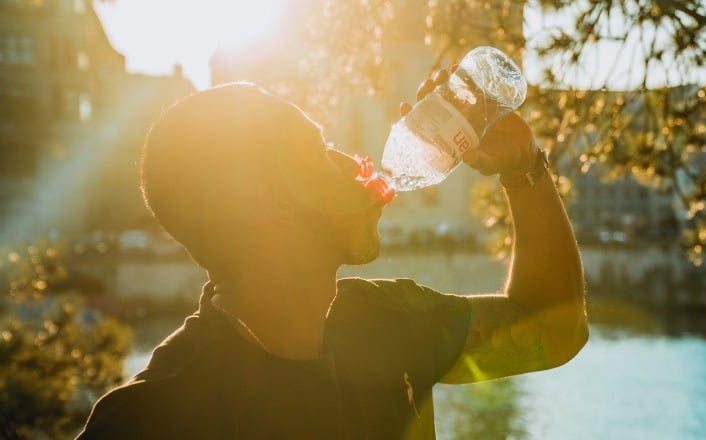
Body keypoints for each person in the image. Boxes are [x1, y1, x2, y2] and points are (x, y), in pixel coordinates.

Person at [77, 70, 588, 439]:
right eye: (319, 153)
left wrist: (523, 170)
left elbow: (553, 327)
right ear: (267, 201)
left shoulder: (387, 320)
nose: (353, 162)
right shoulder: (146, 420)